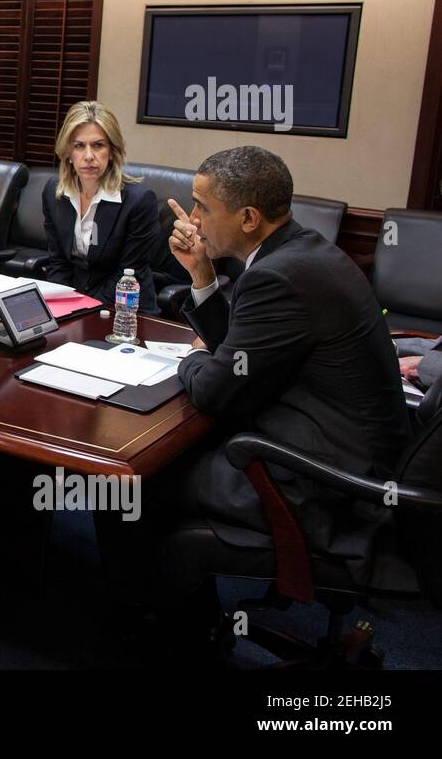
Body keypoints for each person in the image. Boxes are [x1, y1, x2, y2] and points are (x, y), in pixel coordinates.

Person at [167, 146, 411, 575]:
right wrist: (202, 276)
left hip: (327, 484)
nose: (194, 217)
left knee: (146, 477)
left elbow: (213, 390)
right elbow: (244, 355)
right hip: (351, 454)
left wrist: (191, 358)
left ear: (248, 218)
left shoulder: (276, 276)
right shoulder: (301, 253)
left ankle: (151, 624)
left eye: (202, 206)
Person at [42, 100, 160, 311]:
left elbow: (126, 273)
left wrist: (83, 309)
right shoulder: (54, 193)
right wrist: (64, 307)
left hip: (125, 310)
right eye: (79, 146)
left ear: (112, 151)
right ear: (68, 153)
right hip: (74, 303)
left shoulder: (139, 202)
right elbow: (58, 262)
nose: (89, 156)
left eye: (98, 145)